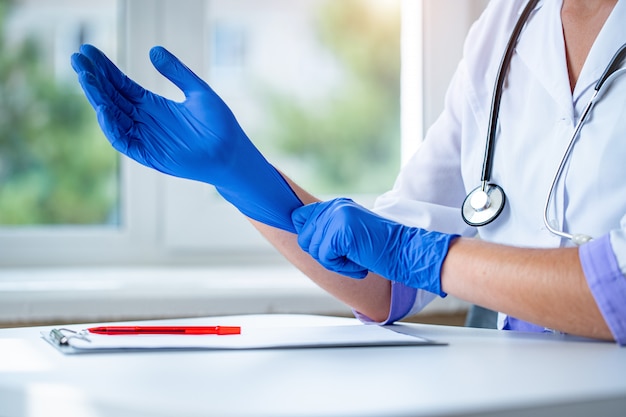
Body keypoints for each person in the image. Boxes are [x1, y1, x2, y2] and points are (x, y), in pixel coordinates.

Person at [71, 0, 626, 345]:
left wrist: (427, 256)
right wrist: (243, 177)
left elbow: (618, 290)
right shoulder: (504, 28)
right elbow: (384, 284)